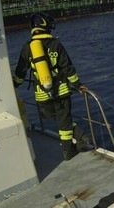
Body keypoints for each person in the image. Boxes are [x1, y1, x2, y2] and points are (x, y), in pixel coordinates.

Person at [13, 12, 90, 161]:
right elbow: (68, 67)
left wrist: (16, 83)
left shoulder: (28, 47)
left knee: (57, 118)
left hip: (41, 95)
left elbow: (21, 70)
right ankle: (69, 150)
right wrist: (78, 85)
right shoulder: (55, 44)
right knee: (64, 121)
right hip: (60, 92)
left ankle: (78, 135)